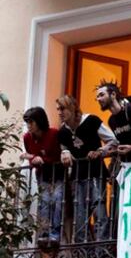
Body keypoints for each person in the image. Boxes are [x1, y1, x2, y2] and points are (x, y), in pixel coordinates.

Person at [57, 95, 117, 244]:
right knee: (80, 216)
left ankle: (101, 250)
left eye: (62, 108)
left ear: (72, 108)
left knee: (99, 212)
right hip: (77, 177)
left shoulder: (91, 120)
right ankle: (81, 253)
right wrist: (64, 153)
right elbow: (64, 148)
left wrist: (100, 151)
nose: (59, 112)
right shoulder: (63, 132)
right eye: (58, 109)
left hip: (96, 173)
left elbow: (113, 140)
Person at [22, 107, 64, 247]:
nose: (28, 126)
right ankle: (44, 234)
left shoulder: (53, 134)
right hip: (42, 175)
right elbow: (33, 160)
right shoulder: (27, 137)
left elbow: (57, 156)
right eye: (27, 122)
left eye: (31, 122)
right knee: (44, 202)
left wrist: (37, 158)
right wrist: (33, 157)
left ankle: (55, 234)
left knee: (57, 200)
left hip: (58, 173)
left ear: (39, 121)